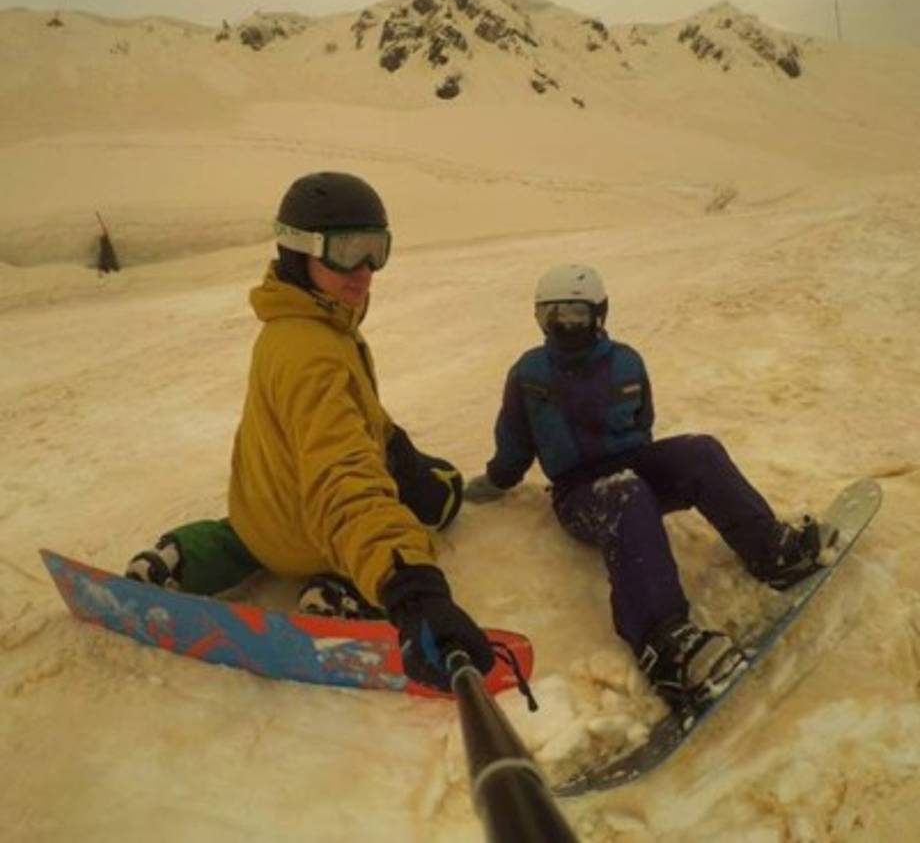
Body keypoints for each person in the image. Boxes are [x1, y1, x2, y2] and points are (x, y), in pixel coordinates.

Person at [126, 171, 494, 690]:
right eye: (347, 250)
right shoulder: (316, 355)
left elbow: (338, 421)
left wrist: (393, 442)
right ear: (300, 251)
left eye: (376, 250)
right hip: (312, 536)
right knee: (415, 518)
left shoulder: (290, 327)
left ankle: (180, 557)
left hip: (261, 520)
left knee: (244, 536)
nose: (364, 270)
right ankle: (339, 588)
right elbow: (343, 480)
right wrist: (414, 591)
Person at [464, 263, 827, 710]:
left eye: (574, 315)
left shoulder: (626, 362)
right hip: (578, 492)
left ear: (599, 314)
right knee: (626, 493)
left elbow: (643, 424)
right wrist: (489, 486)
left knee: (699, 451)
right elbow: (514, 444)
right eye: (551, 315)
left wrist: (652, 470)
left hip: (630, 467)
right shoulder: (530, 375)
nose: (563, 326)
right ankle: (662, 639)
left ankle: (770, 550)